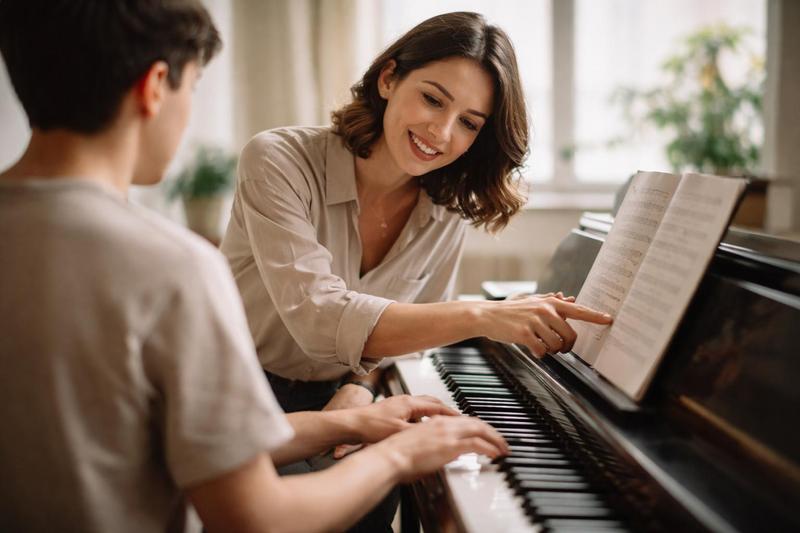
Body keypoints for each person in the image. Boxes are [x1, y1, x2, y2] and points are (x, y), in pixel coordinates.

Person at [0, 2, 508, 533]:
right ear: (155, 87)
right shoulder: (174, 270)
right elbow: (255, 515)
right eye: (193, 85)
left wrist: (356, 413)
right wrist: (401, 456)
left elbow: (145, 439)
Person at [222, 12, 612, 428]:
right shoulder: (278, 160)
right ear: (388, 79)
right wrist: (484, 316)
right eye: (433, 99)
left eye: (468, 123)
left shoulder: (446, 207)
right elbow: (319, 320)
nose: (442, 133)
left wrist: (361, 386)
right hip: (231, 394)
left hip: (337, 397)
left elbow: (409, 334)